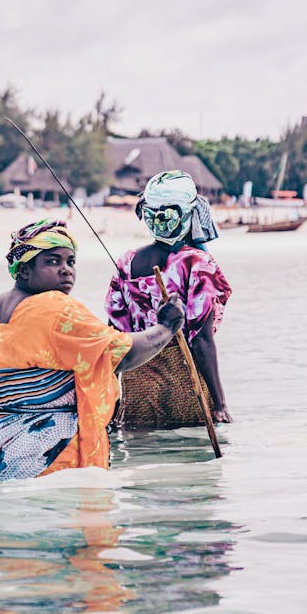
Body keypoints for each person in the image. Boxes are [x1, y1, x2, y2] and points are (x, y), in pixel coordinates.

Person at [0, 220, 183, 483]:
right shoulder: (56, 308)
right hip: (50, 453)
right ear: (24, 270)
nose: (66, 271)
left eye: (71, 262)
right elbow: (121, 354)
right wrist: (165, 327)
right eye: (53, 262)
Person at [105, 171, 233, 427]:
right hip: (186, 388)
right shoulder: (198, 263)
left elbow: (114, 339)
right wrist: (220, 405)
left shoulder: (127, 262)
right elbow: (202, 341)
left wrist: (112, 404)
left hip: (138, 389)